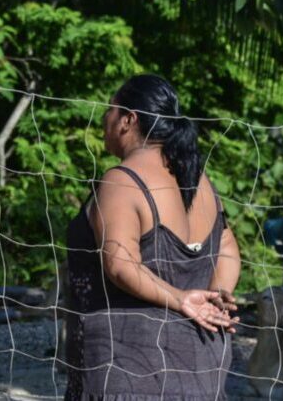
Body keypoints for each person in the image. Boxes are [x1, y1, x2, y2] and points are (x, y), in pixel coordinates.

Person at [64, 74, 242, 400]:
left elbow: (120, 266)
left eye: (110, 110)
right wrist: (218, 294)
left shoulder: (121, 181)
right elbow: (228, 247)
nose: (104, 119)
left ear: (128, 120)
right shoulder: (199, 180)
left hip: (131, 370)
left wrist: (183, 299)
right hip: (204, 364)